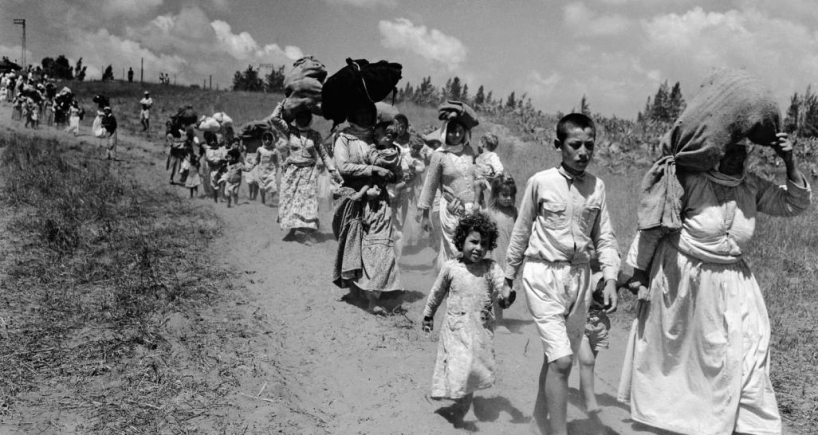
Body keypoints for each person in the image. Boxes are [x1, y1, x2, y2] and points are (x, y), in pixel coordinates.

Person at [618, 69, 811, 435]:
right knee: (683, 368)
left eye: (744, 150)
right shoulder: (688, 181)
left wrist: (790, 162)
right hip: (682, 285)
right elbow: (654, 226)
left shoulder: (751, 186)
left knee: (747, 358)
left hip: (735, 287)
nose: (738, 157)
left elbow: (794, 204)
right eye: (731, 150)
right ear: (716, 151)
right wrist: (637, 273)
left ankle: (748, 425)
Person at [504, 113, 619, 435]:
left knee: (557, 358)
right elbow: (521, 230)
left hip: (579, 280)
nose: (583, 152)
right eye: (575, 145)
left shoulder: (597, 187)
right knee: (564, 361)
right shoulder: (540, 182)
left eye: (589, 145)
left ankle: (537, 422)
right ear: (559, 144)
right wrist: (508, 277)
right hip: (543, 274)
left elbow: (605, 237)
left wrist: (610, 278)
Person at [421, 211, 512, 429]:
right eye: (474, 242)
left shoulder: (490, 268)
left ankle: (459, 407)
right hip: (455, 329)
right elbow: (436, 293)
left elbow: (502, 286)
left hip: (480, 330)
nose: (479, 248)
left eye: (484, 244)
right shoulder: (451, 267)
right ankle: (457, 407)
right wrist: (428, 314)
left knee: (471, 369)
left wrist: (506, 295)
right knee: (459, 364)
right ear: (462, 240)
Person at [332, 103, 403, 314]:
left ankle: (374, 297)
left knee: (379, 246)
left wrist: (390, 170)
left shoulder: (378, 136)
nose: (364, 116)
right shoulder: (344, 138)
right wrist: (373, 169)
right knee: (353, 246)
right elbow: (343, 167)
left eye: (367, 112)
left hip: (377, 202)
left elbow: (395, 173)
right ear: (352, 114)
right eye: (360, 111)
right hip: (352, 198)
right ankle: (356, 289)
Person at [267, 100, 341, 242]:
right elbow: (274, 119)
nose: (302, 119)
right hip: (292, 172)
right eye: (299, 117)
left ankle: (305, 231)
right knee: (290, 200)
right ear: (296, 118)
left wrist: (332, 170)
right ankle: (292, 230)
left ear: (309, 119)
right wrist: (281, 105)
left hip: (308, 172)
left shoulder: (315, 135)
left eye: (305, 117)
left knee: (307, 201)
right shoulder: (290, 131)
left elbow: (324, 154)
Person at [418, 101, 479, 271]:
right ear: (445, 131)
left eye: (460, 131)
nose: (456, 135)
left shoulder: (469, 152)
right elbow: (430, 186)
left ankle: (463, 282)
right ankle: (449, 280)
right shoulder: (439, 156)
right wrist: (425, 215)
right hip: (451, 209)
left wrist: (478, 202)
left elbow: (475, 178)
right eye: (452, 131)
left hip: (471, 210)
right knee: (454, 251)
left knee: (471, 250)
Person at [486, 174, 517, 330]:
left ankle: (493, 318)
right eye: (504, 195)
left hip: (509, 257)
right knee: (495, 289)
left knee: (504, 288)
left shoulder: (515, 212)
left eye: (511, 195)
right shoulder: (490, 212)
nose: (508, 198)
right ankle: (498, 322)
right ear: (496, 194)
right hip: (494, 256)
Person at [578, 274, 609, 422]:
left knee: (589, 364)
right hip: (579, 320)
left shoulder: (610, 274)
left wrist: (640, 286)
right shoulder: (582, 270)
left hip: (599, 324)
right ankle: (590, 401)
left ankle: (583, 398)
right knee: (587, 361)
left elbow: (631, 281)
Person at [473, 133, 504, 210]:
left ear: (483, 143)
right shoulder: (478, 156)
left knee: (477, 184)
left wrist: (498, 173)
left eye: (479, 142)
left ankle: (476, 203)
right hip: (477, 177)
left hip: (485, 179)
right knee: (476, 189)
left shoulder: (492, 155)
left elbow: (497, 165)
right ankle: (482, 204)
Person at [256, 131, 281, 205]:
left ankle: (270, 202)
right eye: (266, 139)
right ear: (263, 140)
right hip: (261, 171)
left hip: (271, 171)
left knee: (272, 186)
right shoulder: (260, 149)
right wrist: (249, 168)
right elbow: (256, 160)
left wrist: (282, 166)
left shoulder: (275, 151)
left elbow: (280, 161)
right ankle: (263, 200)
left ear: (272, 140)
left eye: (269, 139)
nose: (267, 141)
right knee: (262, 188)